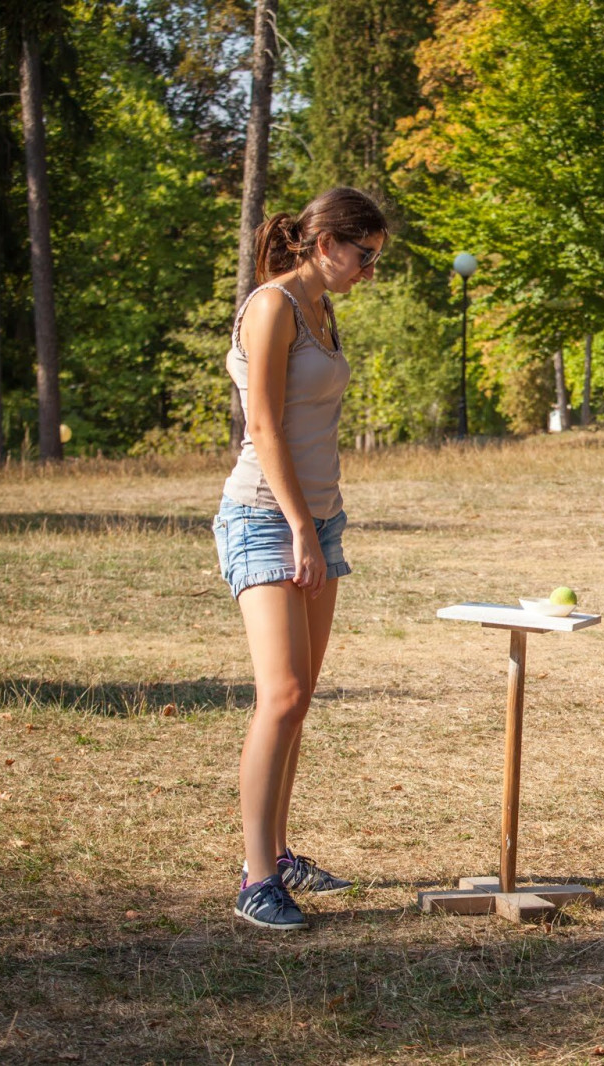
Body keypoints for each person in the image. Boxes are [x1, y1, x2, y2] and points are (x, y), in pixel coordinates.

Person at [214, 187, 387, 931]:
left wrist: (318, 525)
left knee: (300, 696)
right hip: (265, 518)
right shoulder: (273, 306)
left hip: (319, 518)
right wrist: (299, 530)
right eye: (364, 255)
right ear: (324, 244)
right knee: (280, 695)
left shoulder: (322, 309)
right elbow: (263, 425)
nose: (369, 270)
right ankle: (256, 879)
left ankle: (280, 855)